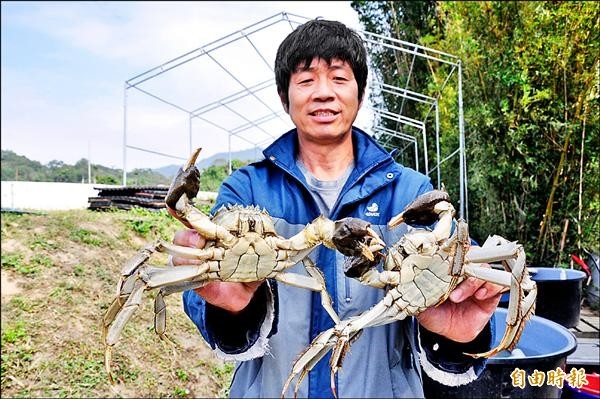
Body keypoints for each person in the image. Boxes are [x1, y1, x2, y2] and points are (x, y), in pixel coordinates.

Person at [171, 19, 503, 398]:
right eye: (307, 79)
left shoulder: (412, 193)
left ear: (360, 96)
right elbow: (202, 291)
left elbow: (460, 288)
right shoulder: (247, 189)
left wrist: (454, 337)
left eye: (339, 78)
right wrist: (232, 311)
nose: (323, 93)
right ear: (285, 98)